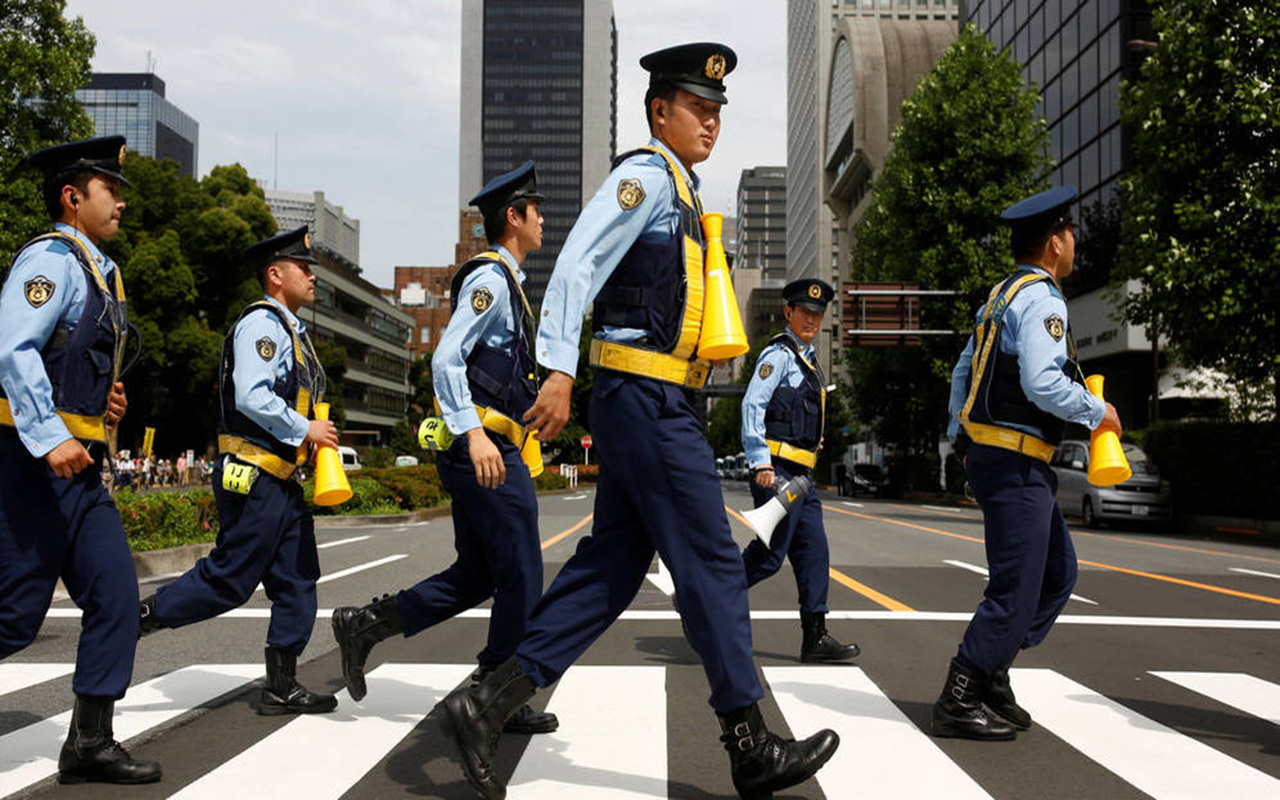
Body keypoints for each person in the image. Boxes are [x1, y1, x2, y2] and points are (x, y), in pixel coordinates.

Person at [438, 43, 839, 800]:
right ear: (662, 110)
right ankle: (748, 744)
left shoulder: (682, 194)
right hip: (647, 404)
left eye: (718, 111)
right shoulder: (645, 177)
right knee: (715, 564)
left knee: (612, 568)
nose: (711, 122)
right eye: (698, 107)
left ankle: (483, 702)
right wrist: (559, 369)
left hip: (655, 402)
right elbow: (578, 263)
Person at [332, 162, 556, 735]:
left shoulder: (509, 284)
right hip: (480, 448)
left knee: (479, 574)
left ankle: (367, 625)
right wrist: (476, 432)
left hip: (486, 445)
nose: (543, 217)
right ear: (514, 217)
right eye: (536, 208)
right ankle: (492, 694)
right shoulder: (489, 280)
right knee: (524, 574)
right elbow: (446, 357)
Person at [933, 185, 1123, 741]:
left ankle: (992, 669)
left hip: (1009, 459)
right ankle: (960, 693)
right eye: (1069, 234)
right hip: (1016, 461)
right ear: (1052, 244)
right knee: (1016, 586)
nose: (1073, 242)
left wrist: (959, 435)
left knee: (1058, 573)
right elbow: (1042, 383)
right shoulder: (1042, 299)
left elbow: (961, 374)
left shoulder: (999, 296)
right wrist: (1097, 412)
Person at [0, 136, 161, 785]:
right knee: (11, 617)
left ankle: (89, 741)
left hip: (78, 465)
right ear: (73, 196)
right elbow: (13, 349)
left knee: (117, 595)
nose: (120, 200)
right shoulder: (50, 260)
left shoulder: (100, 270)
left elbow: (71, 359)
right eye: (109, 188)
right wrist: (51, 433)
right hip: (31, 461)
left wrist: (100, 407)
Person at [137, 226, 338, 716]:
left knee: (297, 579)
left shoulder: (291, 330)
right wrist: (303, 428)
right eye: (303, 268)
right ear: (275, 274)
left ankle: (281, 684)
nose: (312, 278)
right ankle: (140, 616)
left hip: (281, 479)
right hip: (253, 475)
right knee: (230, 579)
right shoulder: (262, 324)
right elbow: (251, 394)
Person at [740, 278, 859, 664]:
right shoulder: (779, 355)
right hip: (777, 472)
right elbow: (752, 407)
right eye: (804, 312)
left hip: (801, 475)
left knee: (814, 552)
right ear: (788, 312)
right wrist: (760, 461)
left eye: (817, 314)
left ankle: (815, 637)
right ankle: (702, 601)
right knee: (771, 556)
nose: (811, 319)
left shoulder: (807, 358)